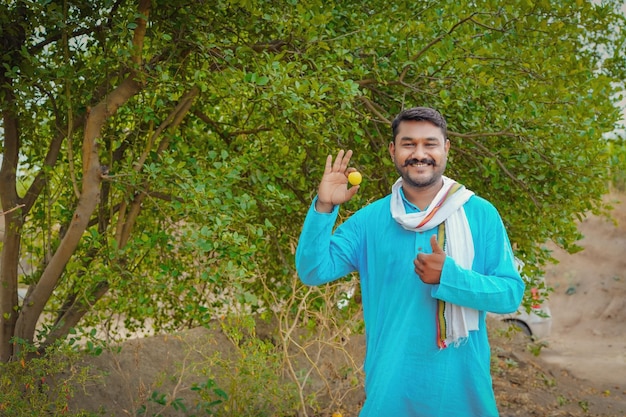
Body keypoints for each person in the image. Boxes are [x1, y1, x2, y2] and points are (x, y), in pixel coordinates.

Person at [295, 107, 525, 416]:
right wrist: (324, 206)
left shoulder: (480, 214)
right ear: (393, 150)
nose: (420, 153)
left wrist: (451, 277)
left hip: (463, 396)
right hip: (390, 394)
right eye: (408, 144)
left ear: (446, 148)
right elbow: (312, 270)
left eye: (430, 143)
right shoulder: (371, 220)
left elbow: (510, 294)